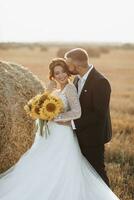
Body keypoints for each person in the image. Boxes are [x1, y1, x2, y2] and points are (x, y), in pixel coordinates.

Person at [0, 58, 119, 200]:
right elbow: (39, 105)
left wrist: (56, 117)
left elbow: (77, 112)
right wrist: (44, 104)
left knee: (60, 164)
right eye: (57, 73)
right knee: (43, 162)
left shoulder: (70, 88)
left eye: (63, 72)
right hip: (50, 134)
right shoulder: (56, 90)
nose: (61, 75)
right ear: (53, 75)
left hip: (62, 133)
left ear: (67, 73)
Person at [64, 48, 112, 186]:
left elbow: (98, 114)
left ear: (76, 64)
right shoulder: (76, 80)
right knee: (82, 172)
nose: (67, 67)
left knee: (97, 172)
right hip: (78, 135)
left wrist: (72, 123)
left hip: (93, 138)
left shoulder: (100, 82)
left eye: (68, 64)